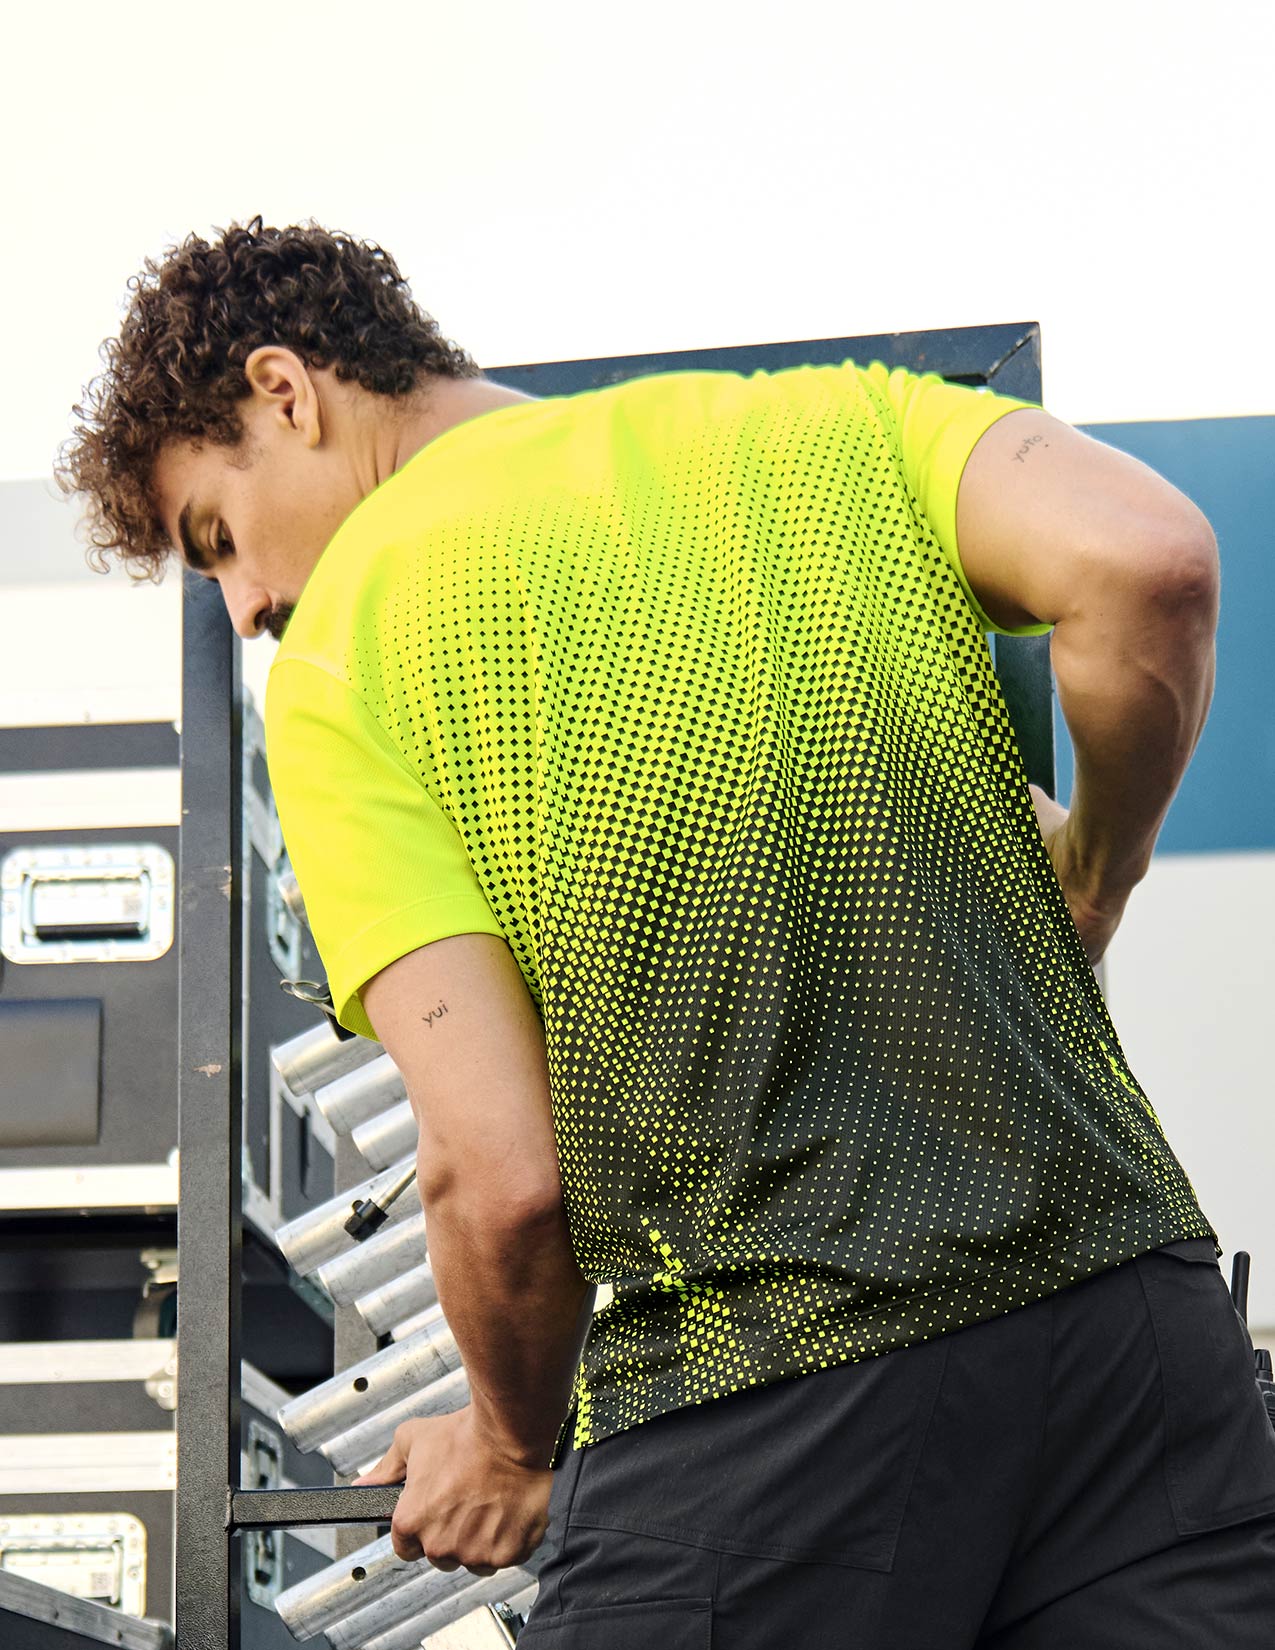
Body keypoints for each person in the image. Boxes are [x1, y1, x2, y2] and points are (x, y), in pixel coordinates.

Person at [61, 218, 1275, 1647]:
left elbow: (501, 1179)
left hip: (779, 1386)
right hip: (1137, 1348)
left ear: (287, 390)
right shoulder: (827, 427)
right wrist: (1102, 866)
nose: (249, 601)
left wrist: (514, 1447)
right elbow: (1151, 558)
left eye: (217, 537)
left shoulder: (344, 654)